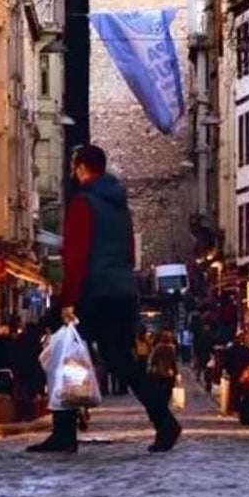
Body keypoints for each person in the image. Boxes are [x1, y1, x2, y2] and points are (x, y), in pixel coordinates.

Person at [31, 144, 181, 456]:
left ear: (82, 167)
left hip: (92, 291)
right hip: (121, 290)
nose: (73, 172)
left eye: (74, 166)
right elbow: (127, 251)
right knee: (122, 361)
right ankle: (163, 419)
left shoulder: (83, 204)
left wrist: (69, 299)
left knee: (65, 356)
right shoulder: (120, 206)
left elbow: (76, 256)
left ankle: (64, 433)